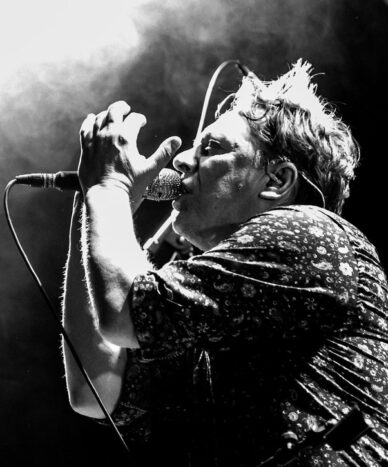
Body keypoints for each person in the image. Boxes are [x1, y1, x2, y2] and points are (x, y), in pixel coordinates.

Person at [61, 60, 388, 466]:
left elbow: (124, 311)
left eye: (211, 148)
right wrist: (92, 202)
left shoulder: (310, 232)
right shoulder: (212, 307)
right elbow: (94, 385)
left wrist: (109, 187)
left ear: (276, 181)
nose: (180, 162)